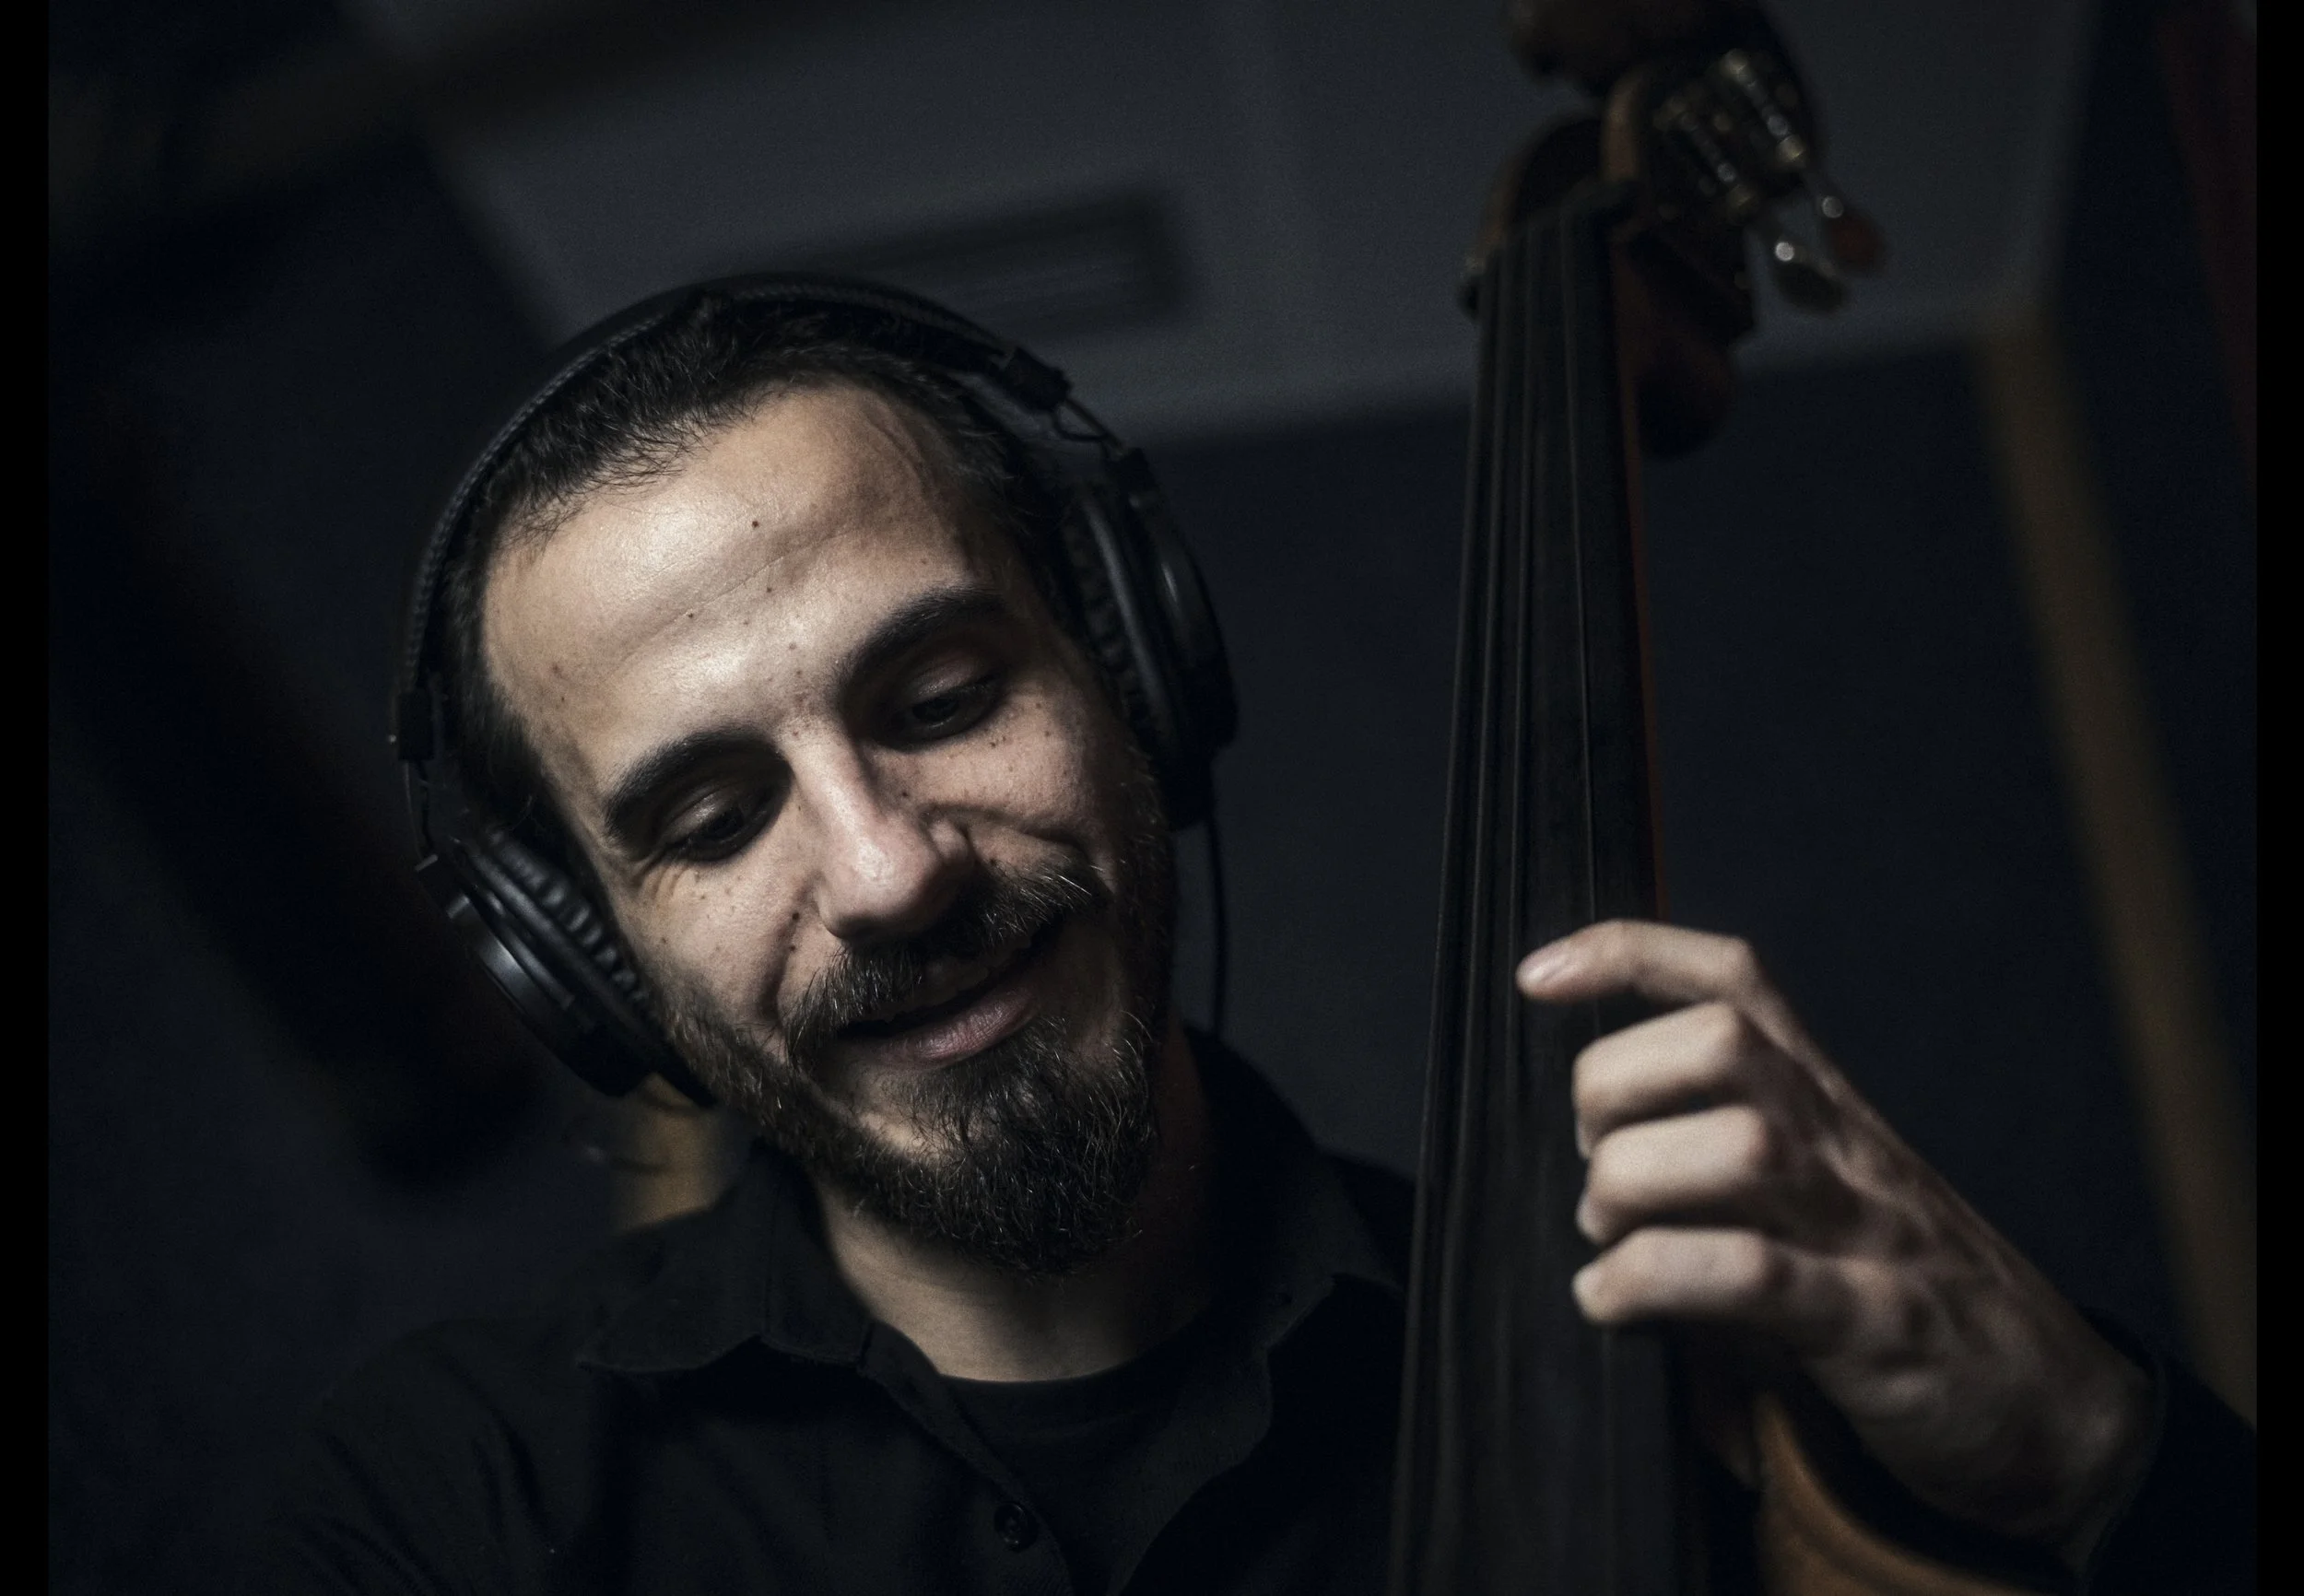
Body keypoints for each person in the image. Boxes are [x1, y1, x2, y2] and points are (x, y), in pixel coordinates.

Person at [253, 284, 2251, 1594]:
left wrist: (2090, 1446)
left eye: (944, 693)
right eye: (710, 816)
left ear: (1132, 674)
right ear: (589, 962)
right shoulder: (438, 1511)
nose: (885, 869)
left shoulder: (1679, 1376)